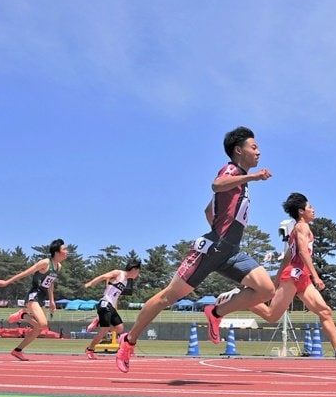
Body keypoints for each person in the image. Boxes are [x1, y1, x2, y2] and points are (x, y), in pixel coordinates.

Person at [116, 126, 275, 373]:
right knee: (168, 297)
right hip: (211, 250)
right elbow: (216, 184)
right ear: (238, 150)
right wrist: (252, 178)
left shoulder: (240, 182)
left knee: (266, 289)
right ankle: (129, 340)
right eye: (253, 147)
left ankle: (216, 312)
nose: (259, 152)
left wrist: (223, 230)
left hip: (231, 252)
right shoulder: (232, 171)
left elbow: (208, 210)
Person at [217, 193, 336, 362]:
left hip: (301, 276)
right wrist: (316, 276)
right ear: (301, 211)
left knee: (325, 311)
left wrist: (276, 279)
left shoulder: (298, 229)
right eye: (310, 207)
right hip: (294, 275)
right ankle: (236, 296)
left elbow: (287, 256)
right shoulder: (302, 227)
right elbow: (302, 252)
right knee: (271, 316)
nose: (313, 210)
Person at [0, 239, 68, 361]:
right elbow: (25, 273)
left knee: (39, 328)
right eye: (64, 249)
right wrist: (7, 282)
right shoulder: (45, 263)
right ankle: (22, 315)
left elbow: (50, 283)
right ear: (57, 252)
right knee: (43, 324)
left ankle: (18, 350)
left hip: (42, 297)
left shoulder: (58, 267)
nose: (67, 251)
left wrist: (52, 300)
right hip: (34, 295)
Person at [82, 259, 141, 360]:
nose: (138, 275)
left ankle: (98, 321)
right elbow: (103, 276)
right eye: (138, 272)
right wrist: (89, 284)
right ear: (134, 269)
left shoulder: (126, 281)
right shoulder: (118, 273)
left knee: (120, 328)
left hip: (111, 306)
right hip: (105, 303)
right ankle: (90, 349)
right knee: (104, 330)